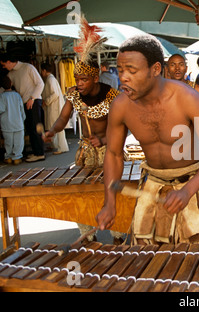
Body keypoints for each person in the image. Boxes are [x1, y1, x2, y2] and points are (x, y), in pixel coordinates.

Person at [96, 34, 199, 246]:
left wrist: (188, 190)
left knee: (193, 264)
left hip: (190, 182)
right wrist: (109, 203)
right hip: (153, 181)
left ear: (156, 69)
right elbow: (113, 153)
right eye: (120, 71)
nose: (124, 78)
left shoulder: (187, 98)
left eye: (132, 71)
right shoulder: (120, 106)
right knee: (148, 262)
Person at [43, 18, 124, 245]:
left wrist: (105, 138)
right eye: (77, 79)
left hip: (110, 150)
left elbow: (123, 129)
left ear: (95, 78)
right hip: (87, 153)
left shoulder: (113, 96)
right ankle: (88, 234)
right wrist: (52, 131)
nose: (78, 83)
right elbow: (62, 118)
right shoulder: (73, 94)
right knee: (84, 192)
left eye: (83, 79)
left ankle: (118, 235)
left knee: (111, 191)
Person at [0, 53, 45, 162]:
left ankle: (39, 153)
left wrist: (32, 98)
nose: (3, 67)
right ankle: (36, 152)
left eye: (3, 65)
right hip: (25, 101)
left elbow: (40, 84)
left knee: (35, 128)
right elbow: (4, 86)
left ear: (9, 62)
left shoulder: (28, 67)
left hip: (33, 101)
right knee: (30, 128)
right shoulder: (11, 73)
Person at [41, 62, 69, 155]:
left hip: (55, 107)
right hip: (53, 107)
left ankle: (62, 147)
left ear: (44, 70)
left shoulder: (50, 79)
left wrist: (46, 101)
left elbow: (55, 94)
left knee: (58, 127)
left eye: (42, 71)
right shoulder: (50, 79)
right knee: (54, 126)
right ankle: (55, 145)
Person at [0, 76, 26, 165]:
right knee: (19, 141)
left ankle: (8, 157)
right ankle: (17, 157)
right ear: (11, 84)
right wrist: (23, 119)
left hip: (7, 124)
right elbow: (21, 109)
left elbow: (1, 109)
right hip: (18, 123)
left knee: (8, 142)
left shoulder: (2, 97)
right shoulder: (17, 95)